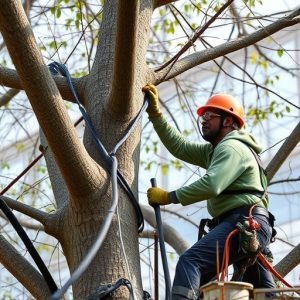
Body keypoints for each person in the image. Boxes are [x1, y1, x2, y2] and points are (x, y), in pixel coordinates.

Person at [142, 84, 276, 300]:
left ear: (228, 121)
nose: (204, 120)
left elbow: (212, 184)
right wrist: (156, 115)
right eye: (203, 116)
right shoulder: (215, 150)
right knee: (262, 293)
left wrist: (170, 196)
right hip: (247, 225)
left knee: (191, 262)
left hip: (243, 221)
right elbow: (181, 147)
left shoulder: (232, 148)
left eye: (210, 115)